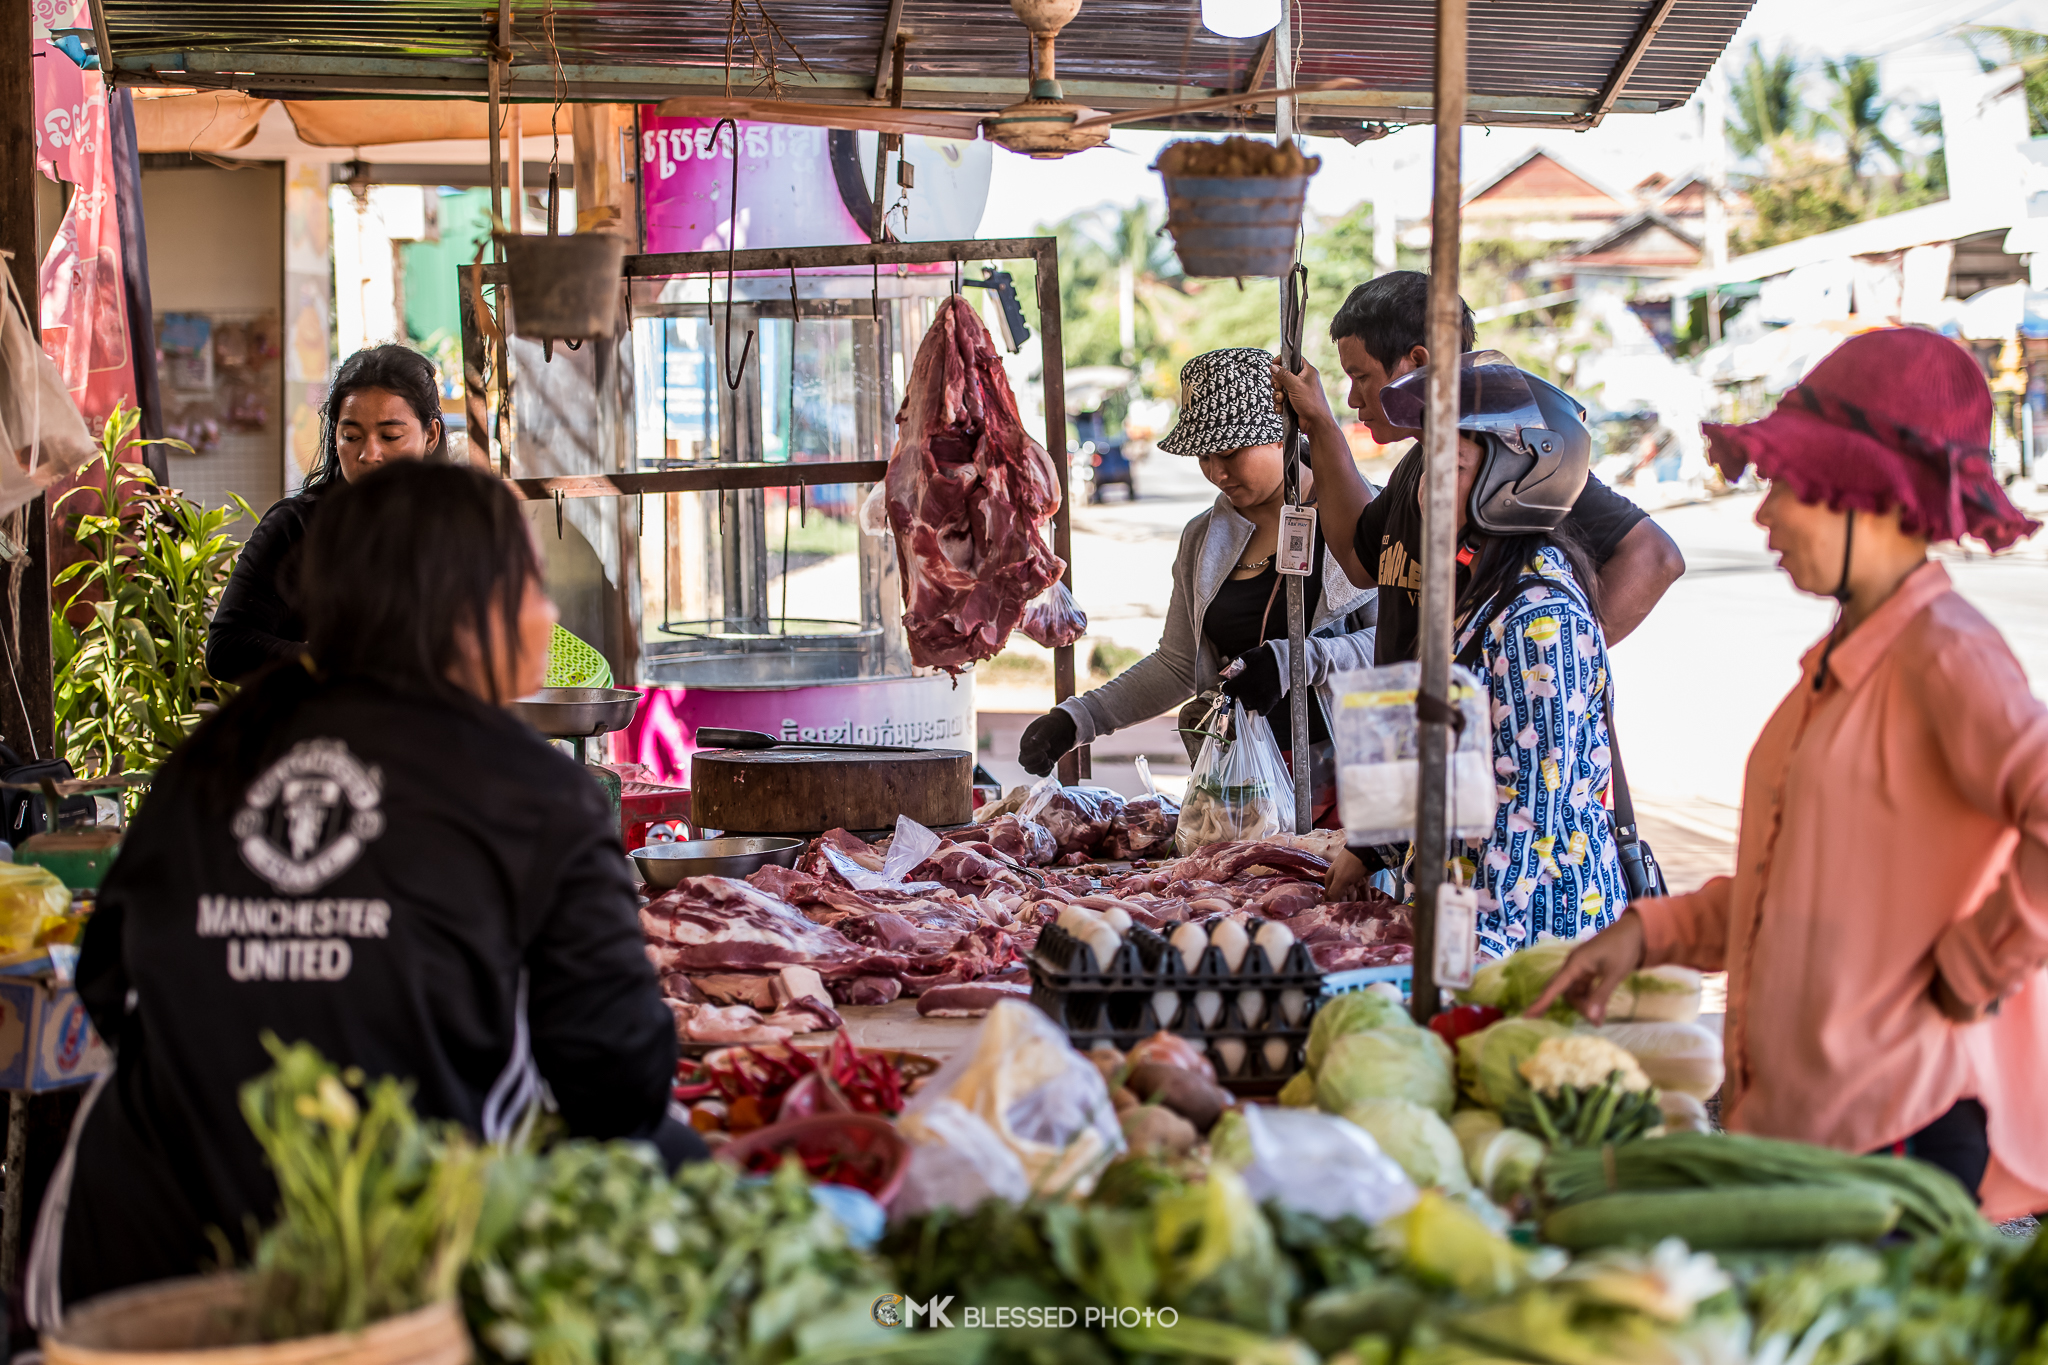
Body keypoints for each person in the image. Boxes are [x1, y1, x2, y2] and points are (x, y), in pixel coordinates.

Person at [41, 461, 696, 1311]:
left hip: (131, 1259)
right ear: (470, 613)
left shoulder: (212, 755)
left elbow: (104, 979)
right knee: (676, 1165)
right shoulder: (533, 790)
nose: (549, 614)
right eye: (532, 584)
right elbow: (619, 1079)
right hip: (368, 1274)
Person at [1527, 329, 2048, 1218]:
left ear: (1869, 496)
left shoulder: (1946, 652)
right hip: (1806, 1118)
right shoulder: (1844, 657)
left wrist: (1974, 961)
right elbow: (1799, 889)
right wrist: (1651, 932)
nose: (1763, 517)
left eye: (1787, 488)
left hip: (1895, 1125)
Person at [1326, 353, 1627, 952]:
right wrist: (1378, 847)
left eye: (1453, 468)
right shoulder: (1482, 588)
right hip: (1468, 908)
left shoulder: (1539, 618)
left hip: (1533, 933)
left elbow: (1529, 816)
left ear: (1521, 476)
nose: (1422, 491)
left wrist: (1467, 958)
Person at [1016, 348, 1377, 820]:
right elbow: (1179, 663)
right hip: (1241, 791)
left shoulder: (1357, 512)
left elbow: (1403, 645)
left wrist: (1297, 661)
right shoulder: (1203, 539)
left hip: (1349, 784)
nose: (1217, 472)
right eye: (1205, 456)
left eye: (1229, 453)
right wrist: (1078, 719)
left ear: (1282, 434)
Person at [1271, 271, 1685, 661]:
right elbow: (1360, 563)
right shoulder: (1416, 467)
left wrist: (1555, 661)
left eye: (1360, 377)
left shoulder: (1512, 459)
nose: (1354, 400)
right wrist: (1320, 425)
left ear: (1417, 361)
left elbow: (1655, 556)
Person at [206, 345, 447, 683]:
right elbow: (227, 649)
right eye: (351, 436)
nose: (369, 454)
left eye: (390, 436)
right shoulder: (296, 528)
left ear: (430, 435)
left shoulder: (457, 531)